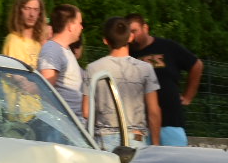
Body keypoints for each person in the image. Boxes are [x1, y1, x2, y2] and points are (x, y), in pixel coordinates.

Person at [125, 14, 202, 147]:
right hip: (139, 127)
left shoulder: (167, 47)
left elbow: (196, 65)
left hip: (170, 122)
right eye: (128, 32)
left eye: (134, 31)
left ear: (145, 28)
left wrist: (188, 96)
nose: (131, 36)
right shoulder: (126, 54)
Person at [86, 17, 162, 150]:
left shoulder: (93, 68)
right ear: (130, 37)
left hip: (103, 140)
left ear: (105, 40)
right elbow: (153, 111)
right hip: (135, 138)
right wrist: (155, 145)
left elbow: (86, 111)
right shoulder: (145, 69)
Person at [37, 5, 85, 115]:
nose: (81, 27)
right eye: (79, 23)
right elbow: (46, 92)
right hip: (64, 127)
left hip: (73, 125)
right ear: (71, 26)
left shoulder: (63, 49)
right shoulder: (52, 50)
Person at [1, 0, 48, 69]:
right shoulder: (13, 40)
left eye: (35, 9)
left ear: (39, 13)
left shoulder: (37, 44)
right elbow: (15, 74)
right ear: (19, 11)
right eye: (27, 8)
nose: (32, 14)